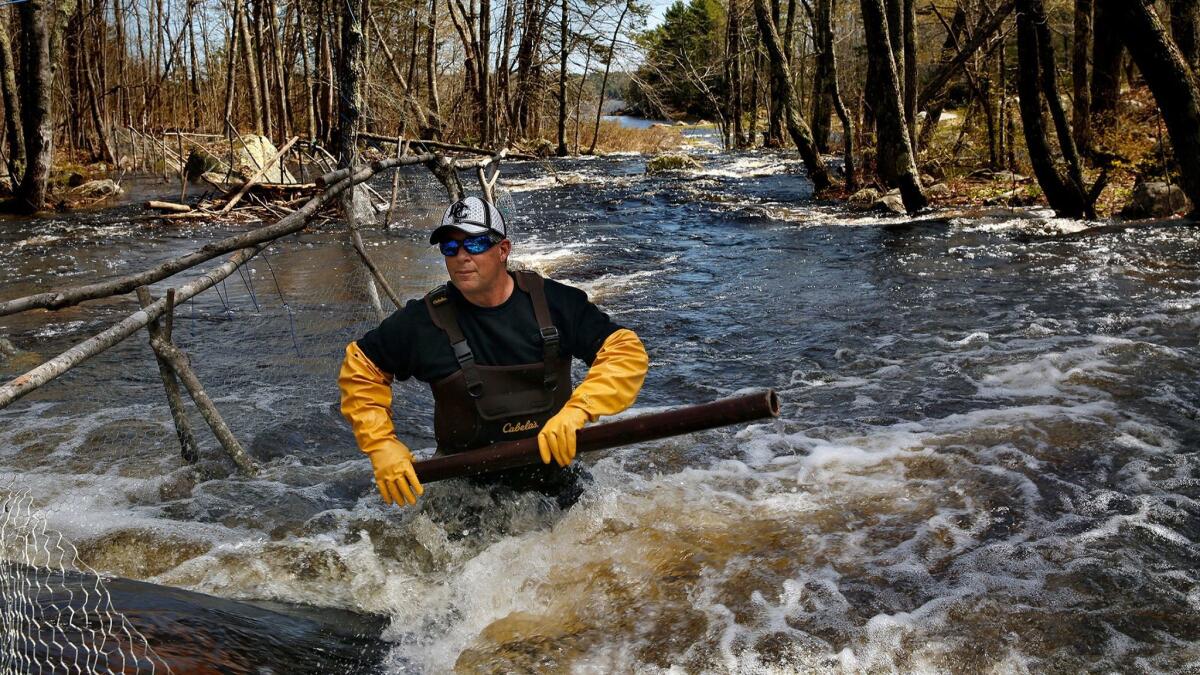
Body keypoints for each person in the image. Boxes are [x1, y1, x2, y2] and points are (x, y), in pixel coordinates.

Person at [338, 196, 648, 509]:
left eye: (474, 244)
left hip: (556, 483)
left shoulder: (556, 303)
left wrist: (578, 410)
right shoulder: (422, 322)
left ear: (503, 250)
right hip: (463, 495)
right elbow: (362, 369)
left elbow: (624, 350)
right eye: (450, 247)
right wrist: (381, 446)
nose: (461, 257)